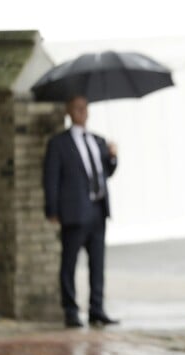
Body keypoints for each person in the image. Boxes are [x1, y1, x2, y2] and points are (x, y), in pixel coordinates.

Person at [43, 95, 119, 328]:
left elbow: (106, 172)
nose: (82, 112)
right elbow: (51, 178)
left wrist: (114, 157)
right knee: (69, 262)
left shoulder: (98, 140)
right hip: (74, 211)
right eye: (77, 108)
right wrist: (52, 209)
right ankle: (71, 311)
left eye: (85, 108)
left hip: (98, 209)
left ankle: (97, 309)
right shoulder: (59, 143)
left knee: (97, 263)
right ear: (68, 111)